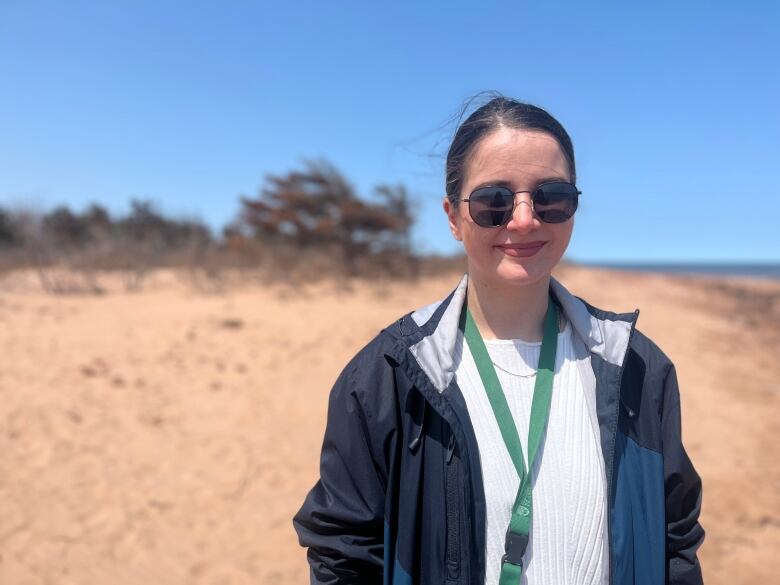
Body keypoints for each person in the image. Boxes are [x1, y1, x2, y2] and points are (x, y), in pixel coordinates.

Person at [292, 96, 704, 585]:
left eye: (550, 197)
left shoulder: (638, 368)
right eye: (494, 202)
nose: (525, 219)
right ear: (453, 217)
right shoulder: (388, 376)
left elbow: (674, 541)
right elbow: (343, 552)